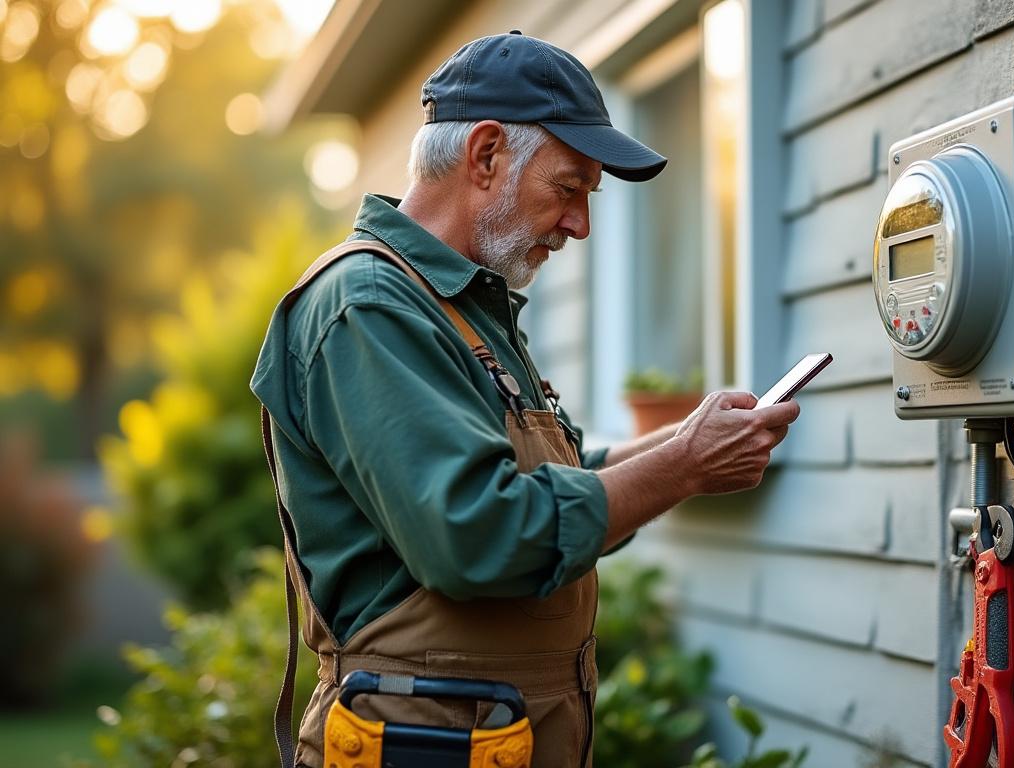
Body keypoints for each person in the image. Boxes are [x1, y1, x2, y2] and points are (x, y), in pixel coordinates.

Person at [250, 31, 801, 768]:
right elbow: (480, 533)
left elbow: (556, 482)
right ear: (484, 156)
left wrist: (687, 443)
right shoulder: (367, 307)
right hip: (418, 741)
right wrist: (686, 467)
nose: (581, 225)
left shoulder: (466, 306)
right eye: (568, 188)